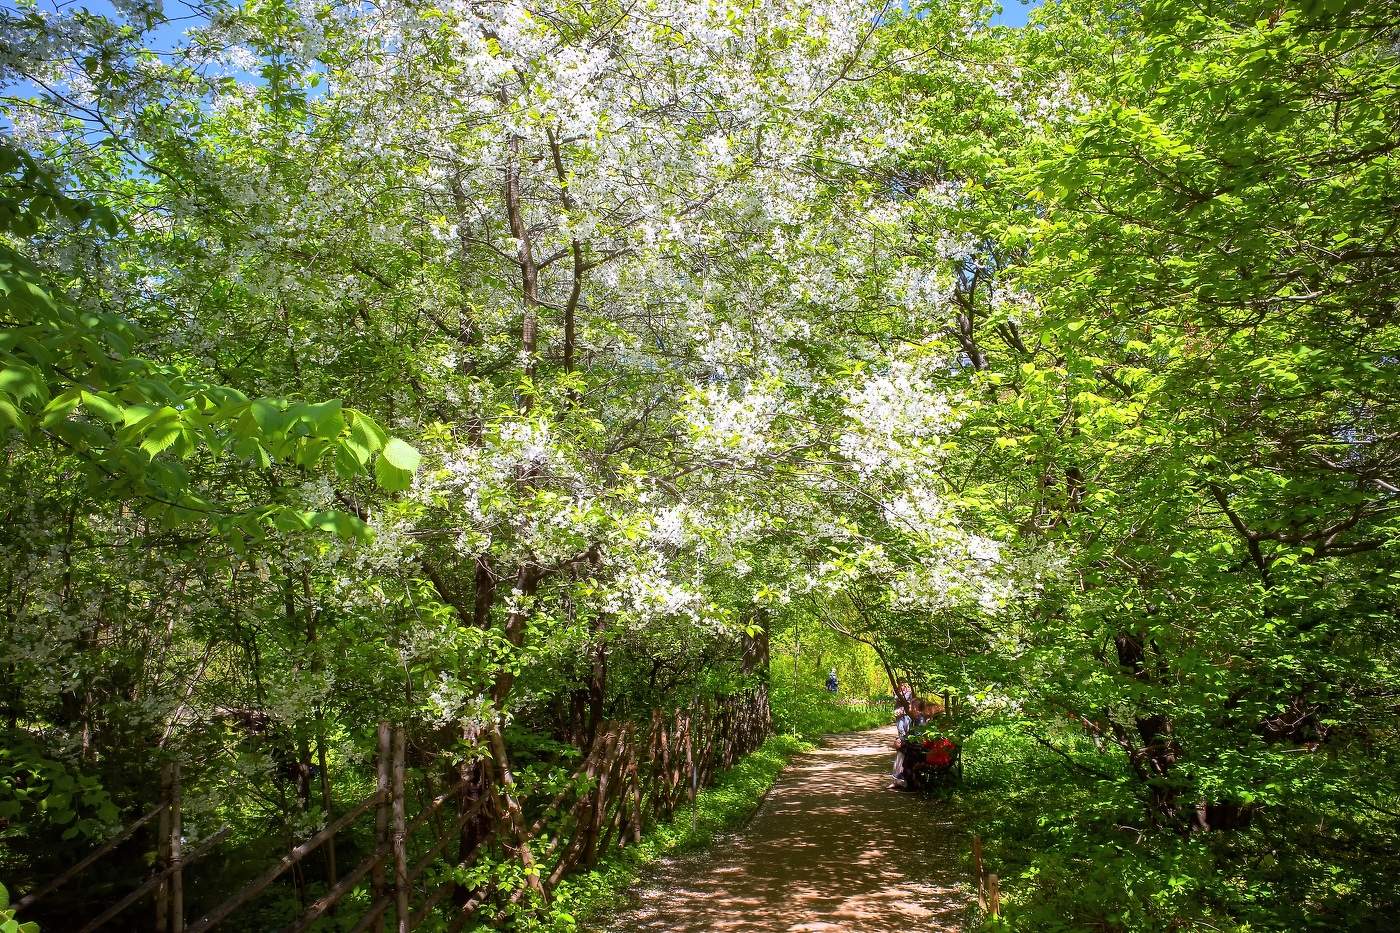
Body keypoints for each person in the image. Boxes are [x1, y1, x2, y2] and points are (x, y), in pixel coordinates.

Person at [889, 704, 912, 790]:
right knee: (899, 759)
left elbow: (905, 731)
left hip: (906, 740)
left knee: (901, 758)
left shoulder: (907, 718)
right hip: (903, 739)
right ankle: (897, 781)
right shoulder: (901, 718)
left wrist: (901, 740)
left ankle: (900, 781)